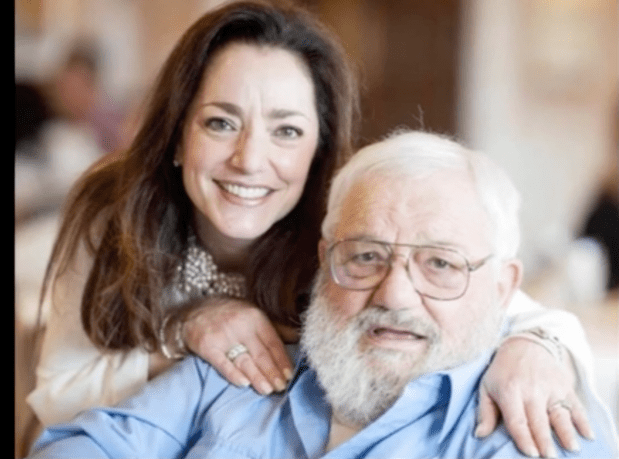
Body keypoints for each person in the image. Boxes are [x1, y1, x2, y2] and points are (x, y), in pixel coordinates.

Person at [26, 0, 593, 457]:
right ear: (177, 134)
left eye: (287, 131)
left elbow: (490, 294)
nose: (249, 160)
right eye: (221, 123)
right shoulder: (119, 210)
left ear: (319, 151)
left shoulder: (345, 233)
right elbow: (57, 398)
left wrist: (536, 349)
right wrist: (185, 333)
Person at [27, 131, 618, 459]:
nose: (396, 294)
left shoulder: (533, 426)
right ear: (323, 258)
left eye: (439, 264)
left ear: (504, 285)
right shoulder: (241, 366)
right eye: (365, 256)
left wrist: (543, 340)